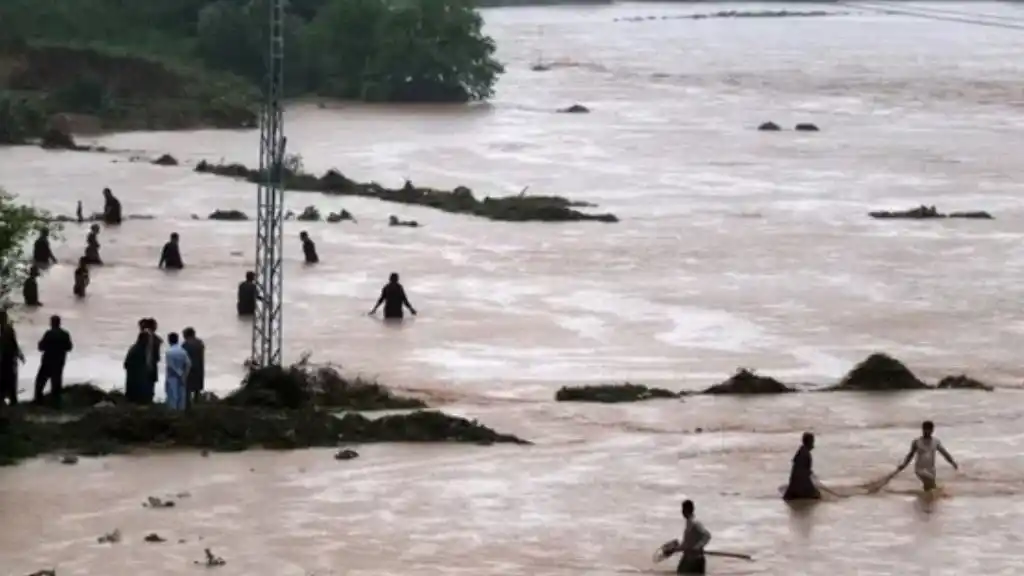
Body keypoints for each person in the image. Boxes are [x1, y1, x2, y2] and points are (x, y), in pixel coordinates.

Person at [892, 420, 958, 492]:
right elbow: (910, 455)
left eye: (929, 430)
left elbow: (944, 453)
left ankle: (926, 500)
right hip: (920, 469)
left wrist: (952, 462)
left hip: (931, 469)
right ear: (922, 429)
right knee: (931, 482)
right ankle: (938, 494)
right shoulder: (917, 442)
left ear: (932, 430)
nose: (927, 431)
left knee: (928, 487)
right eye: (925, 429)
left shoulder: (936, 442)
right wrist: (904, 464)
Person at [34, 315, 73, 408]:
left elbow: (41, 347)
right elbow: (69, 347)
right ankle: (56, 404)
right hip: (59, 362)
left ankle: (38, 401)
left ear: (52, 323)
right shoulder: (65, 334)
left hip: (47, 361)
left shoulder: (49, 334)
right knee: (56, 383)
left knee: (40, 382)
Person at [782, 432, 829, 501]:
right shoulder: (806, 454)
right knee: (818, 497)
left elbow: (800, 467)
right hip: (802, 485)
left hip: (793, 484)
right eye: (812, 442)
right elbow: (804, 473)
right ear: (809, 442)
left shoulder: (801, 451)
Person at [674, 499, 711, 574]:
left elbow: (707, 535)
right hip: (688, 558)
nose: (682, 512)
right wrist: (676, 548)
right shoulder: (688, 523)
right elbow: (687, 543)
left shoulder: (695, 523)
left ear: (687, 510)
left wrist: (698, 546)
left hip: (696, 559)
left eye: (683, 509)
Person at [0, 310, 25, 406]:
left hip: (7, 360)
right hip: (8, 360)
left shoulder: (8, 330)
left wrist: (19, 355)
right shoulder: (8, 329)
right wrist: (19, 355)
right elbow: (14, 344)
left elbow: (14, 344)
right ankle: (10, 401)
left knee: (8, 381)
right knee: (9, 381)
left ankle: (10, 401)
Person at [164, 332, 191, 411]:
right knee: (181, 398)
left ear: (169, 340)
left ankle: (173, 416)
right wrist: (184, 375)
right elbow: (188, 364)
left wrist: (179, 373)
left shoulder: (169, 352)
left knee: (172, 397)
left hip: (172, 377)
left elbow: (171, 366)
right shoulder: (183, 351)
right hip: (182, 377)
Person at [124, 332, 153, 404]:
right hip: (136, 375)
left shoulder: (136, 347)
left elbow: (126, 364)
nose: (149, 342)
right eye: (148, 339)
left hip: (135, 374)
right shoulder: (138, 349)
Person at [181, 327, 205, 407]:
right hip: (199, 366)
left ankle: (187, 405)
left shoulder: (185, 345)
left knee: (187, 387)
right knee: (197, 387)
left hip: (188, 368)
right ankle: (197, 403)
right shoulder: (200, 343)